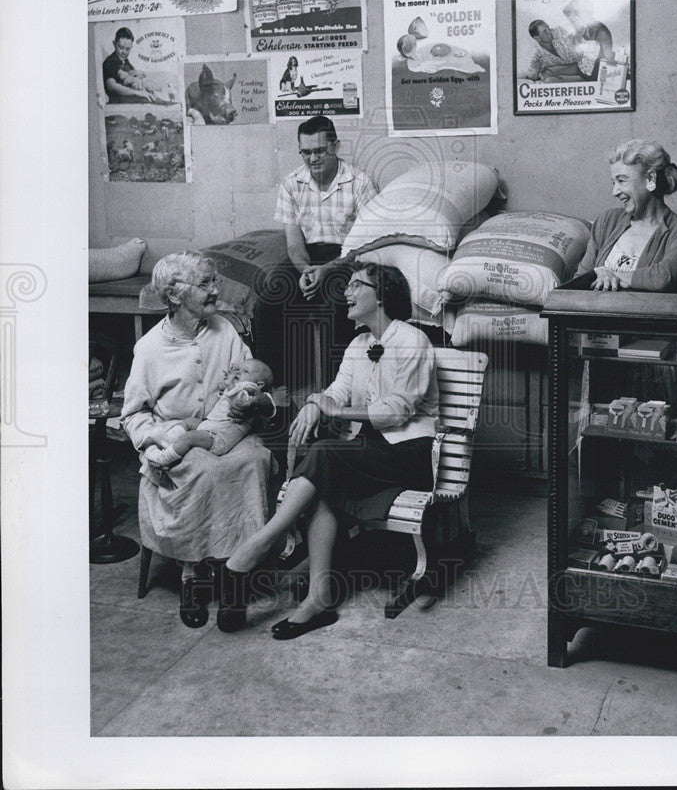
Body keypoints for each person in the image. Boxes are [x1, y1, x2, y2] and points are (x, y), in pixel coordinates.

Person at [220, 263, 439, 638]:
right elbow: (336, 391)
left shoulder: (413, 340)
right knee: (323, 476)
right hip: (366, 454)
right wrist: (315, 403)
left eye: (357, 285)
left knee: (324, 453)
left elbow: (397, 411)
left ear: (382, 294)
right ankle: (318, 599)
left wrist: (335, 410)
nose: (347, 292)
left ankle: (256, 546)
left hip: (408, 455)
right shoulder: (358, 345)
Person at [121, 252, 277, 630]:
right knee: (203, 470)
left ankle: (238, 570)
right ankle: (193, 574)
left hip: (229, 429)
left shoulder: (224, 329)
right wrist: (160, 438)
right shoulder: (150, 348)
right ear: (174, 295)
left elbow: (250, 382)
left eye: (214, 281)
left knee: (255, 460)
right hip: (178, 439)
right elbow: (132, 414)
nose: (215, 290)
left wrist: (252, 403)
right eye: (204, 284)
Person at [575, 140, 677, 292]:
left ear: (650, 179)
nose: (614, 192)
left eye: (622, 181)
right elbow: (579, 280)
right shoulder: (607, 221)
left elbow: (663, 277)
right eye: (613, 183)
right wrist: (597, 274)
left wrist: (609, 273)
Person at [274, 116, 377, 299]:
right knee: (270, 298)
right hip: (307, 256)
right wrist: (307, 270)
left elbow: (367, 243)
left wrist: (327, 269)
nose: (313, 159)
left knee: (336, 301)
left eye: (320, 151)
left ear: (335, 147)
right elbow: (294, 243)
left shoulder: (361, 183)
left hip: (346, 257)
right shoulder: (290, 184)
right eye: (306, 152)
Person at [143, 357, 289, 468]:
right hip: (210, 426)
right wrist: (226, 383)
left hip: (219, 439)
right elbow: (225, 394)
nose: (238, 372)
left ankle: (164, 458)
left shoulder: (251, 391)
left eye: (245, 371)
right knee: (190, 422)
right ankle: (168, 440)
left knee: (190, 437)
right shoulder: (239, 387)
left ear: (260, 385)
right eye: (238, 369)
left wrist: (230, 383)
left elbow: (241, 402)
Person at [562, 0, 615, 81]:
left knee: (554, 80)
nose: (572, 24)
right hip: (582, 69)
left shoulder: (601, 31)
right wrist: (573, 42)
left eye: (574, 20)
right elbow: (577, 56)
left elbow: (609, 60)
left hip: (596, 75)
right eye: (571, 21)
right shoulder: (581, 30)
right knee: (549, 74)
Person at [102, 27, 150, 103]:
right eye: (121, 47)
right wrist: (138, 93)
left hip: (130, 102)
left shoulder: (126, 62)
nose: (124, 52)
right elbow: (112, 86)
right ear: (114, 44)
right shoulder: (110, 62)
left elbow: (134, 79)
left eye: (127, 49)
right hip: (117, 106)